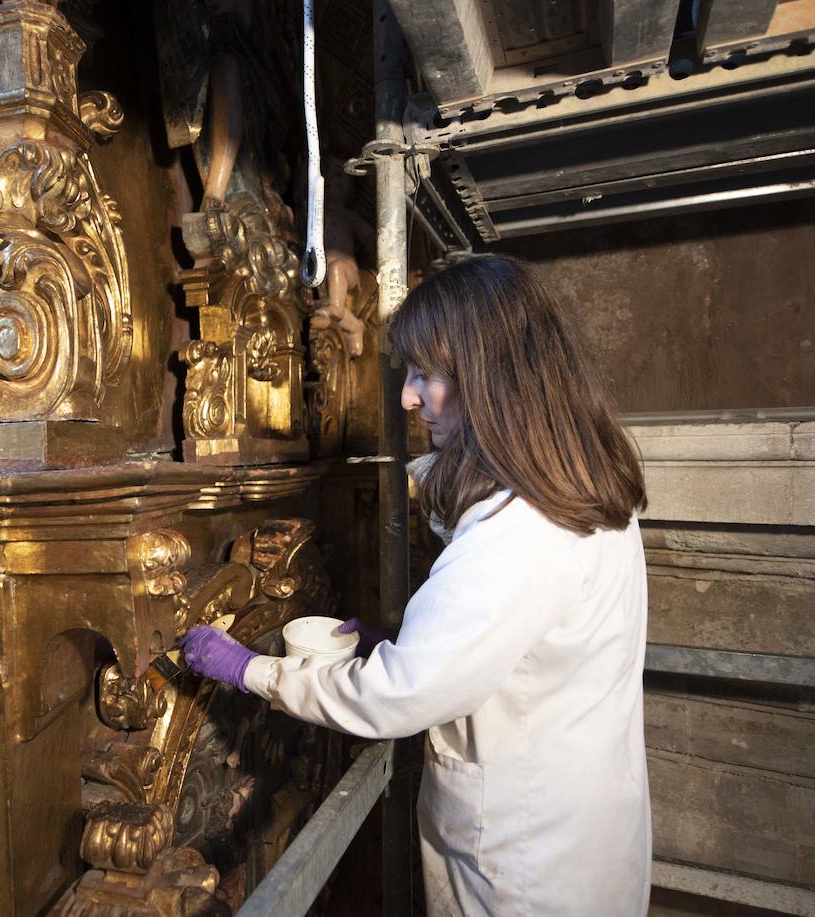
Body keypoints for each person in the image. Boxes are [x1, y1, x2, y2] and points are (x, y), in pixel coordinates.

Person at [180, 255, 652, 916]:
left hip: (523, 870)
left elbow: (395, 698)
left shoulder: (520, 529)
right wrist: (416, 642)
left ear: (492, 379)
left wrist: (252, 670)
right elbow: (515, 638)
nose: (406, 397)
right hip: (580, 827)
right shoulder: (581, 479)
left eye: (425, 375)